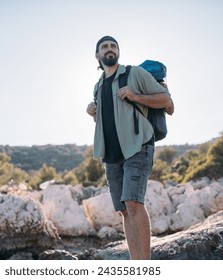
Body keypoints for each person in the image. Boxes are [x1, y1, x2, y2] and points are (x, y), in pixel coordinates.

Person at [86, 36, 174, 260]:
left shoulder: (133, 73)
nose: (109, 49)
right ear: (97, 55)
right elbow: (111, 121)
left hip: (138, 146)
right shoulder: (98, 86)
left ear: (118, 52)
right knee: (125, 210)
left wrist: (135, 96)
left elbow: (166, 101)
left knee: (134, 203)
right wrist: (95, 115)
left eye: (113, 46)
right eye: (104, 47)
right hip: (112, 155)